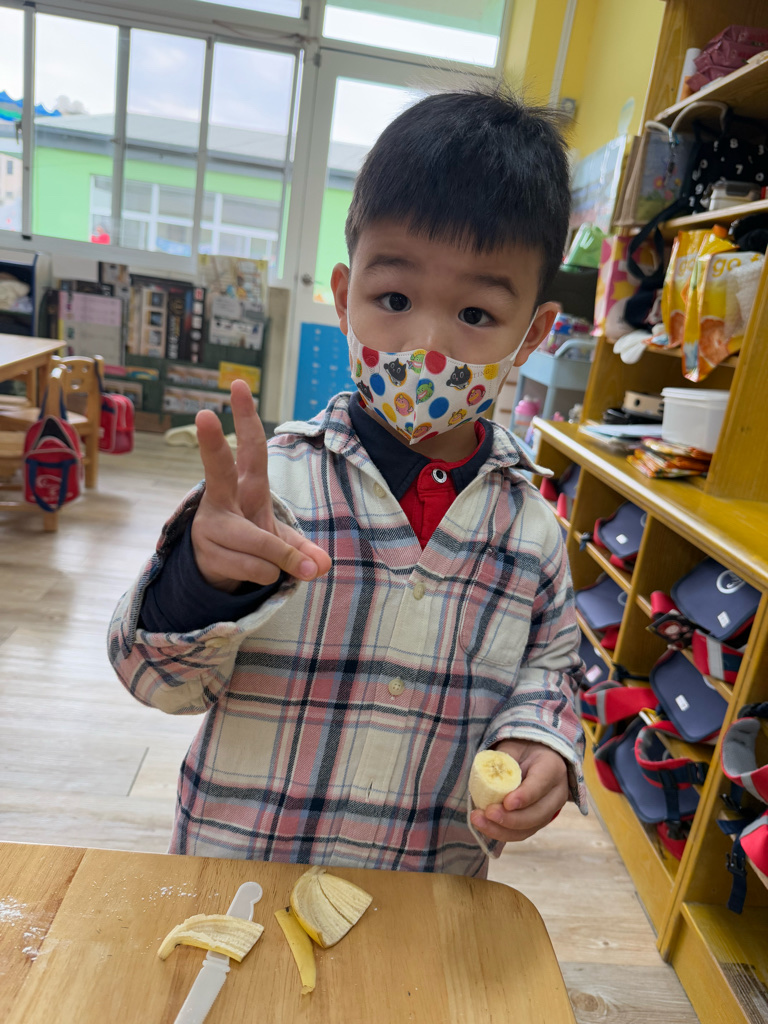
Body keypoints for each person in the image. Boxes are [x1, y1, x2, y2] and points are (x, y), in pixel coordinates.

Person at [108, 87, 586, 877]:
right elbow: (155, 681)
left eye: (475, 314)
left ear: (533, 333)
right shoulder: (266, 495)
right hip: (238, 881)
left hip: (423, 896)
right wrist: (203, 581)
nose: (425, 345)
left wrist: (542, 742)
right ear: (342, 296)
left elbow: (551, 672)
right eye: (393, 299)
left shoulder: (533, 533)